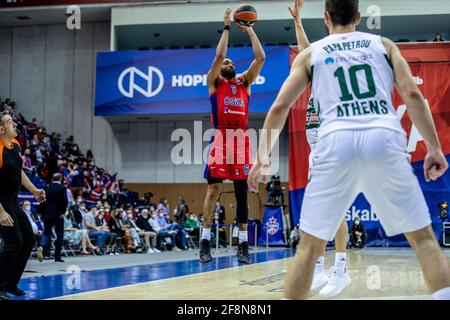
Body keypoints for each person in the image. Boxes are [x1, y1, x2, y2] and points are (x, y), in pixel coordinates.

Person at [248, 0, 450, 300]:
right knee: (423, 240)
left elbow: (280, 107)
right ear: (358, 17)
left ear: (326, 17)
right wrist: (434, 147)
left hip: (334, 141)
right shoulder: (383, 44)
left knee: (309, 246)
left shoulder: (311, 54)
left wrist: (262, 159)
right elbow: (411, 94)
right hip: (383, 137)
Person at [289, 0, 351, 296]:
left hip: (333, 146)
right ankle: (318, 268)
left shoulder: (335, 79)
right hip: (317, 149)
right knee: (316, 211)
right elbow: (305, 52)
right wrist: (299, 23)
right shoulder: (316, 75)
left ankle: (340, 270)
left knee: (334, 210)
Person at [200, 7, 265, 265]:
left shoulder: (244, 83)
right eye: (227, 63)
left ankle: (243, 245)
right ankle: (205, 241)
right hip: (221, 138)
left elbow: (260, 58)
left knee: (241, 194)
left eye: (232, 63)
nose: (229, 63)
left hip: (240, 141)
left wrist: (250, 30)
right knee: (213, 189)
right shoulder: (214, 82)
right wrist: (227, 26)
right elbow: (220, 53)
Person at [0, 111, 46, 300]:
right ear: (1, 129)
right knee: (14, 242)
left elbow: (19, 173)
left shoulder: (16, 145)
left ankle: (11, 283)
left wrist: (34, 190)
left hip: (13, 199)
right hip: (1, 201)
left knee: (28, 238)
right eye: (10, 122)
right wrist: (1, 212)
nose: (15, 125)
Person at [40, 173, 68, 262]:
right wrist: (63, 212)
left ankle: (42, 249)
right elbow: (64, 201)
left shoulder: (46, 187)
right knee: (59, 235)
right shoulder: (62, 188)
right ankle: (57, 256)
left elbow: (42, 201)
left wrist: (42, 212)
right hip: (58, 214)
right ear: (60, 179)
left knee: (47, 233)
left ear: (52, 179)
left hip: (47, 214)